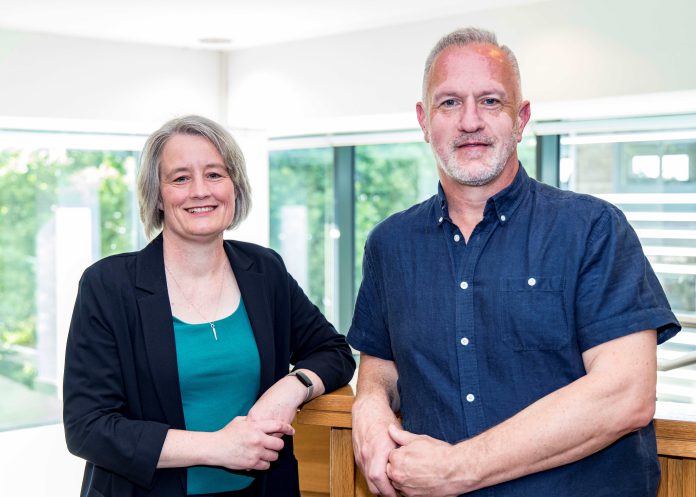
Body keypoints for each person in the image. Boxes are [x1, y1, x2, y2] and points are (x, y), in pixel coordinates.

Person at [347, 27, 680, 497]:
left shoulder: (592, 229)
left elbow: (625, 395)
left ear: (520, 118)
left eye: (490, 102)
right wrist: (370, 406)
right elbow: (381, 365)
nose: (469, 122)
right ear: (423, 121)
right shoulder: (390, 244)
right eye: (449, 103)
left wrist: (458, 467)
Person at [63, 115, 355, 497]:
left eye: (215, 174)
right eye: (180, 178)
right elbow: (88, 428)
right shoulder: (108, 286)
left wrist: (291, 387)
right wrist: (219, 446)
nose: (201, 191)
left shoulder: (264, 270)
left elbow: (333, 351)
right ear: (157, 194)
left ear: (235, 186)